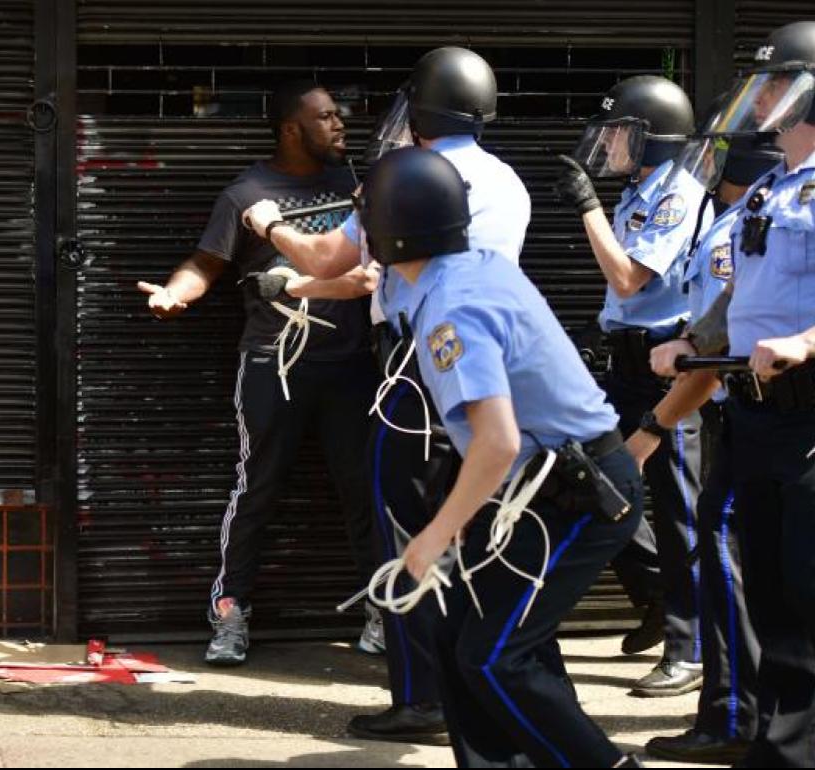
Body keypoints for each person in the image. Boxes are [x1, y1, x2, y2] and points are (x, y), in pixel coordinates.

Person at [239, 46, 529, 745]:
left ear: (424, 110)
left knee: (400, 533)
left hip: (411, 375)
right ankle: (474, 690)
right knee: (473, 534)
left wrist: (269, 223)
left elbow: (329, 258)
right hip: (481, 374)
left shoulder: (402, 175)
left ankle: (421, 698)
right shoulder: (507, 181)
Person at [362, 145, 645, 767]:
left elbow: (498, 441)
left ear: (391, 229)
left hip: (577, 492)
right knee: (455, 631)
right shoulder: (457, 268)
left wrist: (435, 534)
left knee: (494, 657)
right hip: (531, 488)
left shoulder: (453, 307)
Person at [138, 80, 380, 666]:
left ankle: (384, 612)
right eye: (325, 118)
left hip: (350, 364)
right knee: (257, 487)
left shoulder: (357, 187)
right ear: (291, 128)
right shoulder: (246, 193)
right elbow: (206, 262)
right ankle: (230, 611)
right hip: (272, 361)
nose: (340, 125)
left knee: (366, 491)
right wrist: (176, 294)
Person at [647, 21, 815, 767]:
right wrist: (696, 343)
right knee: (774, 591)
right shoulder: (773, 188)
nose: (765, 96)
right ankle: (782, 746)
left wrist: (808, 342)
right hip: (756, 409)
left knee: (807, 590)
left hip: (809, 404)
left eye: (779, 82)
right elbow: (742, 293)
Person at [554, 74, 710, 695]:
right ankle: (653, 592)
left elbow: (627, 279)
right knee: (592, 481)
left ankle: (691, 646)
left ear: (652, 138)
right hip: (622, 362)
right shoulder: (641, 188)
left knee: (678, 507)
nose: (610, 145)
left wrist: (587, 206)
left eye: (621, 133)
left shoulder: (677, 194)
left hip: (664, 366)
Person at [632, 130, 783, 764]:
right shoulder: (745, 220)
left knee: (722, 561)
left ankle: (732, 719)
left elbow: (716, 352)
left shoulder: (740, 228)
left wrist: (656, 425)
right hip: (747, 417)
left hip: (747, 417)